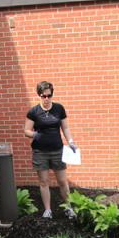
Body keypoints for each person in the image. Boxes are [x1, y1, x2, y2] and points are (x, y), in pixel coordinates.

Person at [23, 81, 76, 219]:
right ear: (39, 95)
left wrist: (70, 141)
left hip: (57, 150)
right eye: (43, 96)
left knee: (63, 181)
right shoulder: (34, 112)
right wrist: (35, 134)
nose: (46, 98)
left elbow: (65, 128)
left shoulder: (59, 108)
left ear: (52, 94)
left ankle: (69, 207)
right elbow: (26, 131)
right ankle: (48, 210)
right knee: (44, 181)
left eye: (49, 95)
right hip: (40, 152)